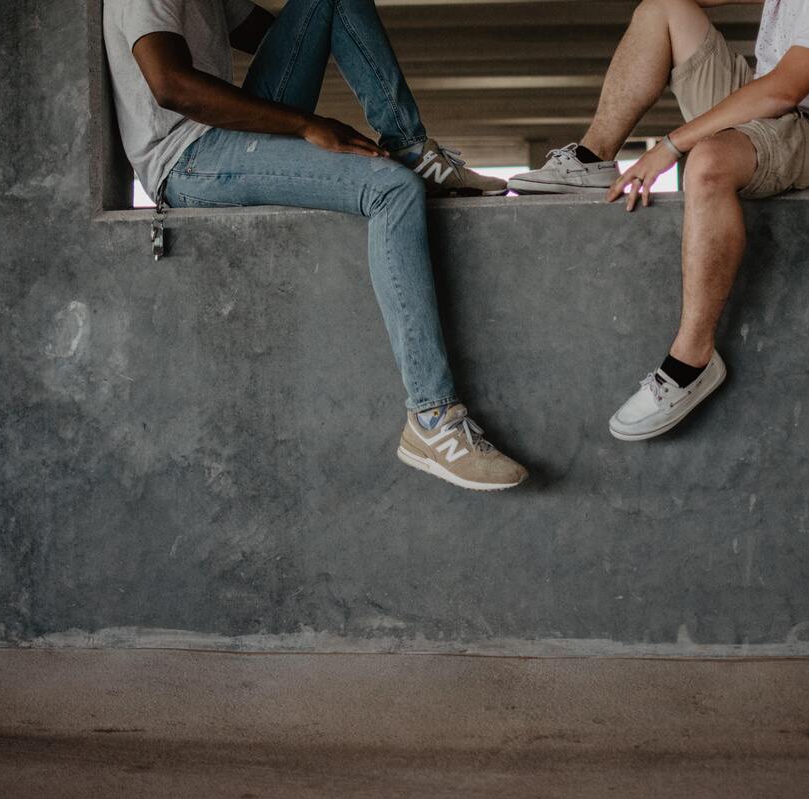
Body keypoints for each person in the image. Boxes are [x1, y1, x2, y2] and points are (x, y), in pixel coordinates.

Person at [103, 0, 527, 490]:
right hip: (187, 160)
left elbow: (283, 32)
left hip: (220, 134)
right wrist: (307, 126)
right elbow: (170, 86)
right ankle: (432, 420)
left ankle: (411, 144)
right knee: (390, 189)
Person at [509, 0, 809, 441]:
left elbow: (783, 90)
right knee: (663, 8)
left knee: (707, 163)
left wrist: (669, 146)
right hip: (776, 109)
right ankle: (591, 159)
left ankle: (691, 360)